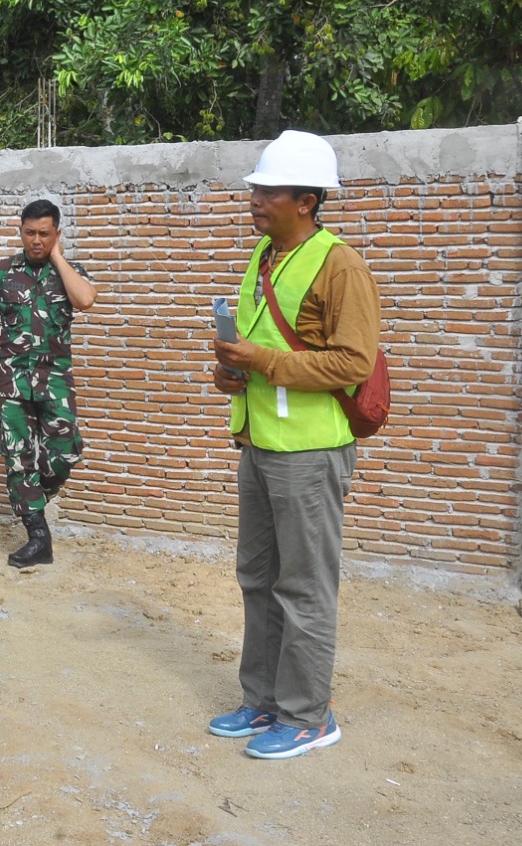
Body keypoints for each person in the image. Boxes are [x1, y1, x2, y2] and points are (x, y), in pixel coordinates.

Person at [208, 129, 381, 760]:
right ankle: (262, 700)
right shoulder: (264, 255)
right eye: (256, 187)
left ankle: (309, 715)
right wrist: (232, 370)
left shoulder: (340, 264)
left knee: (304, 586)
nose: (254, 197)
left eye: (268, 189)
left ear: (306, 200)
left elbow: (354, 362)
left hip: (310, 453)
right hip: (260, 444)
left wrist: (263, 359)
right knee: (258, 576)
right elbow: (263, 346)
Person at [0, 198, 98, 568]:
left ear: (57, 234)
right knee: (17, 457)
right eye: (29, 232)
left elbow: (85, 299)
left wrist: (58, 258)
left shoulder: (72, 271)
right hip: (10, 383)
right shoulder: (0, 273)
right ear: (19, 231)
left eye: (44, 233)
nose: (35, 240)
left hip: (54, 382)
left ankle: (32, 497)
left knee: (67, 450)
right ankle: (38, 536)